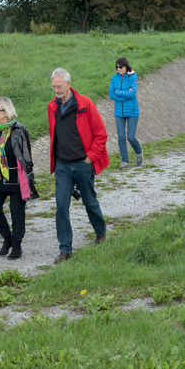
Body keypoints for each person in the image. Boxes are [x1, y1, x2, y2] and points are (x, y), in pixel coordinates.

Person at [47, 67, 108, 264]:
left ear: (68, 84)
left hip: (82, 163)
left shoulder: (85, 104)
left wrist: (90, 158)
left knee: (89, 202)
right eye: (54, 86)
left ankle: (100, 233)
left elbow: (101, 134)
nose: (56, 90)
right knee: (61, 206)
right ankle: (65, 249)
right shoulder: (52, 107)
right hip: (63, 166)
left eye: (59, 86)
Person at [0, 97, 38, 261]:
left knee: (17, 214)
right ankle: (7, 239)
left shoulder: (18, 130)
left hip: (16, 178)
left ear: (5, 113)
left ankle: (16, 246)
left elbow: (26, 157)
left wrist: (29, 179)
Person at [108, 57, 143, 169]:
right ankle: (125, 161)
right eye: (117, 67)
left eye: (120, 67)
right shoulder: (114, 78)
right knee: (121, 137)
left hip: (132, 111)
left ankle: (139, 152)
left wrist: (118, 93)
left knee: (131, 137)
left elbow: (132, 94)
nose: (119, 69)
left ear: (126, 66)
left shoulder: (133, 76)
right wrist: (124, 95)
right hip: (119, 112)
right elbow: (111, 95)